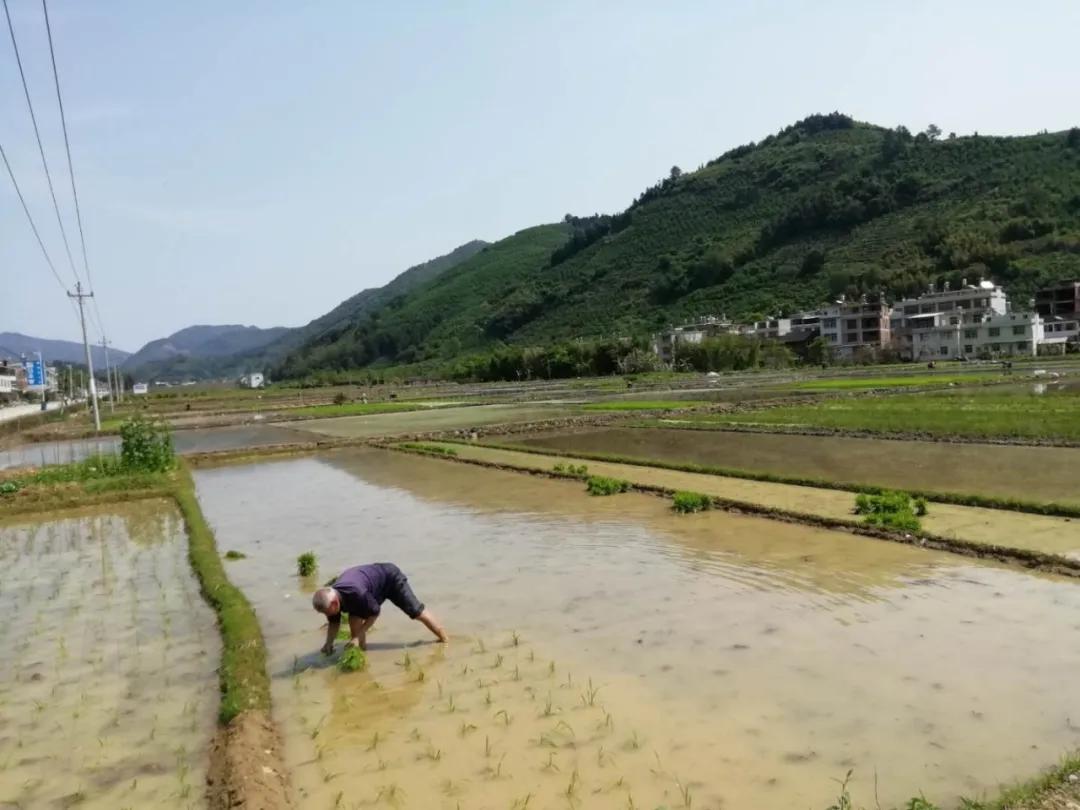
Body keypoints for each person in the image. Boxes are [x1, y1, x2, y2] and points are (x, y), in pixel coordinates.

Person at [312, 563, 447, 654]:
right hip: (371, 585)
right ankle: (360, 653)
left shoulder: (357, 593)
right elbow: (334, 623)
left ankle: (445, 640)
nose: (327, 615)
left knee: (416, 612)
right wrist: (328, 643)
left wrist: (358, 635)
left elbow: (375, 613)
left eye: (327, 612)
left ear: (335, 603)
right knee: (354, 620)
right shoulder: (330, 601)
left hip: (391, 579)